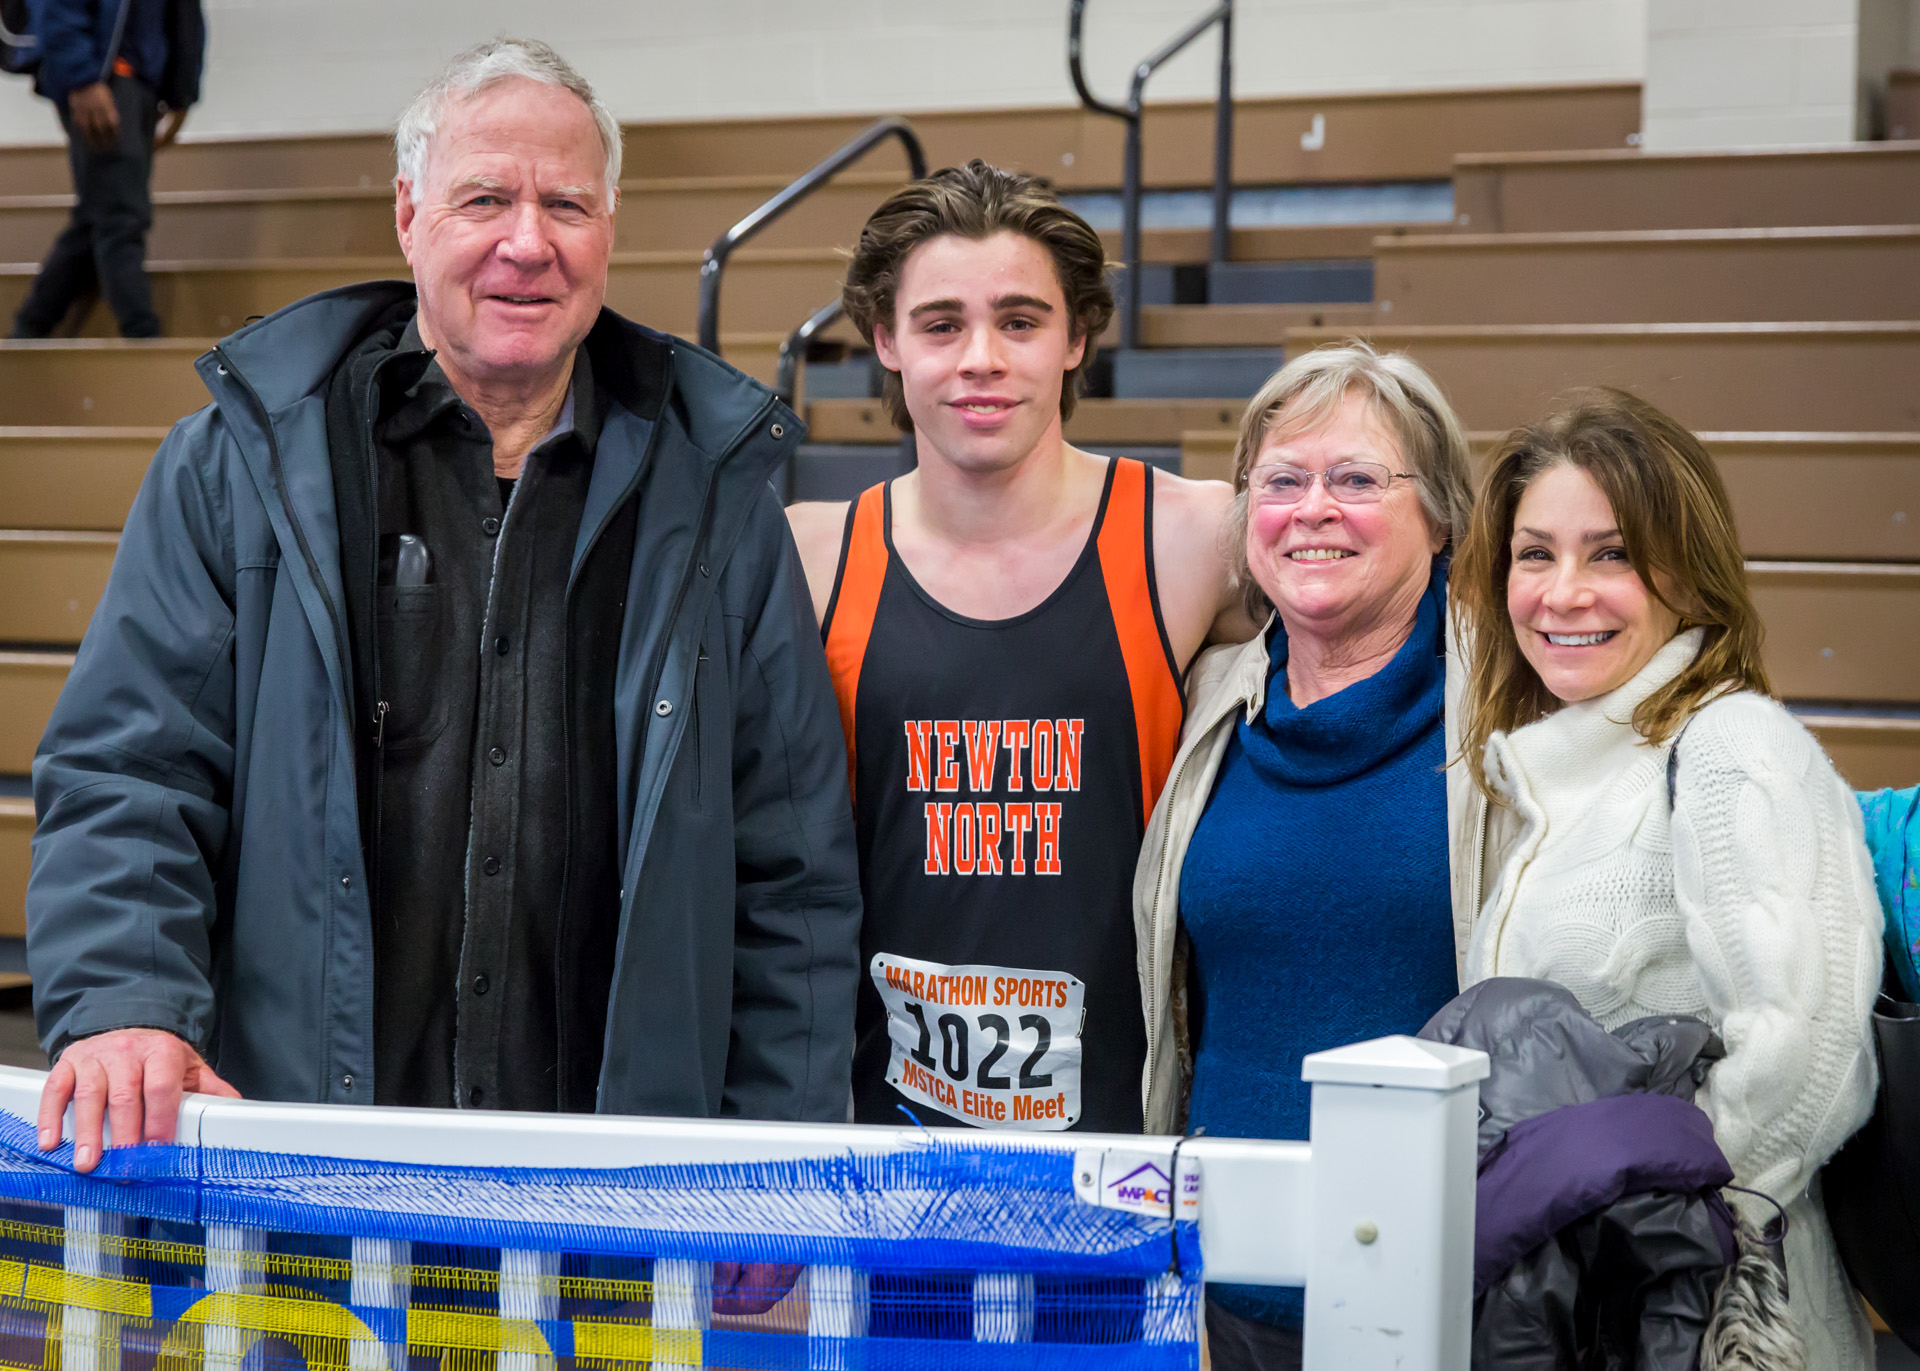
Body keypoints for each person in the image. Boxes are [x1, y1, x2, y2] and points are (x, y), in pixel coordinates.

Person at [28, 39, 861, 1175]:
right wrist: (127, 999)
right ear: (409, 213)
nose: (529, 240)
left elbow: (791, 865)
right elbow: (133, 771)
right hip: (299, 1192)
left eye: (566, 202)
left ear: (609, 229)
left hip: (616, 1211)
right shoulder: (237, 468)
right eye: (486, 198)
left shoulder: (719, 500)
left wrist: (785, 1155)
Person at [784, 160, 1252, 1139]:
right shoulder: (812, 555)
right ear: (886, 340)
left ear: (1078, 338)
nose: (980, 358)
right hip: (886, 1147)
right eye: (942, 323)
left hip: (1126, 1153)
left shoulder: (1193, 538)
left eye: (1021, 321)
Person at [1449, 389, 1882, 1371]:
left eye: (1611, 553)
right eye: (1535, 553)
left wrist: (1650, 1236)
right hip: (1589, 1318)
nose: (1564, 592)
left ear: (1687, 570)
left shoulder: (1732, 747)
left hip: (1709, 1326)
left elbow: (1810, 1064)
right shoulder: (1561, 783)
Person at [1130, 341, 1476, 1369]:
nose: (1312, 508)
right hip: (1214, 1290)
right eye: (1280, 481)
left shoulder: (1514, 714)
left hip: (1451, 1288)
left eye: (1359, 479)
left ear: (1442, 514)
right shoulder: (1205, 705)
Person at [9, 0, 204, 339]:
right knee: (121, 216)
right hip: (104, 79)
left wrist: (182, 91)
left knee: (98, 216)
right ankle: (144, 339)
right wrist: (80, 78)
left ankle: (26, 334)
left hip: (140, 82)